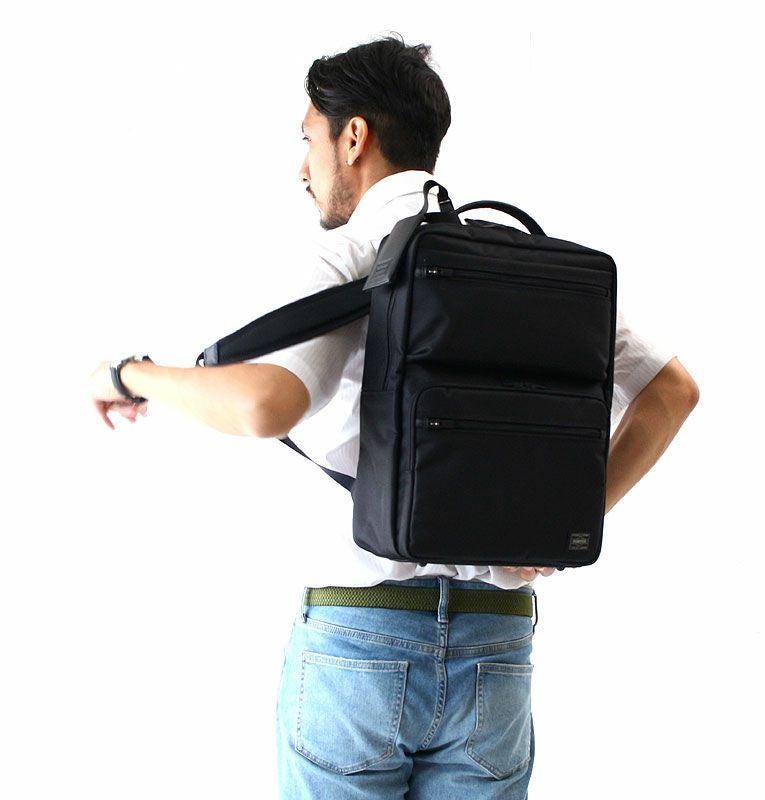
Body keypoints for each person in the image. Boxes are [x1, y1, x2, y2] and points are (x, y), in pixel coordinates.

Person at [89, 33, 700, 800]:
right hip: (497, 646)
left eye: (307, 138)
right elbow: (672, 392)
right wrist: (563, 524)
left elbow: (263, 404)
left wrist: (131, 374)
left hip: (360, 641)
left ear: (354, 137)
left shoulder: (355, 255)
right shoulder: (522, 266)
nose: (302, 167)